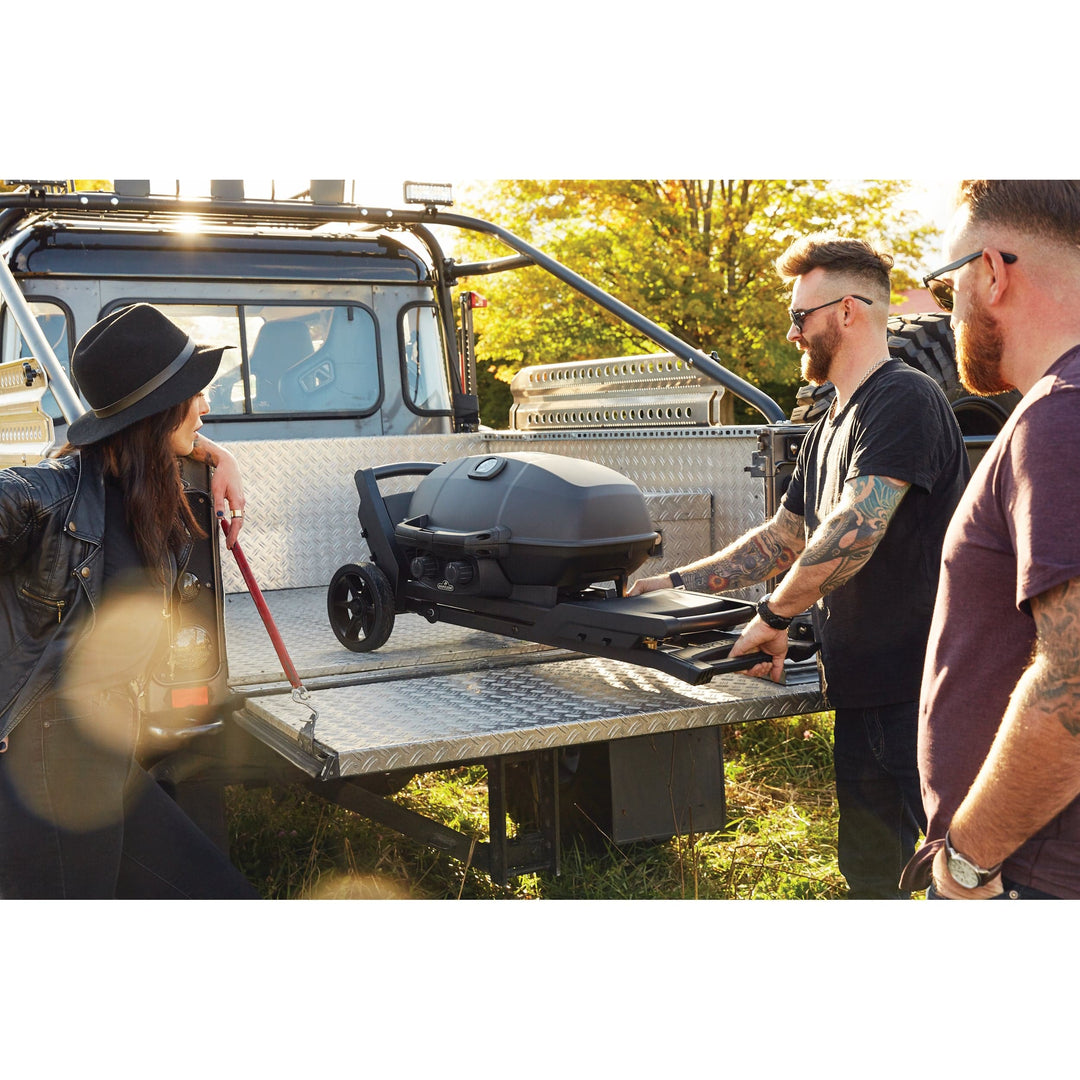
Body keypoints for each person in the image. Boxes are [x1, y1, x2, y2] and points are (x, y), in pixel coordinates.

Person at [629, 235, 969, 899]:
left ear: (847, 313)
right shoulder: (831, 421)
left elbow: (855, 526)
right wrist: (671, 584)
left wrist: (774, 615)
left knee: (955, 880)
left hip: (923, 695)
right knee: (872, 878)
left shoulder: (905, 399)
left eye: (799, 317)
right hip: (862, 690)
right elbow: (784, 537)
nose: (791, 332)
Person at [0, 303, 259, 898]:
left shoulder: (146, 485)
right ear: (157, 411)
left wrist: (217, 455)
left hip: (103, 746)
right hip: (45, 760)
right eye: (195, 394)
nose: (207, 406)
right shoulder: (45, 497)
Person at [899, 180, 1080, 900]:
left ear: (993, 272)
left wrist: (969, 861)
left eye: (948, 286)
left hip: (1027, 879)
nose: (949, 311)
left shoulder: (1061, 415)